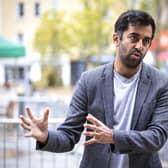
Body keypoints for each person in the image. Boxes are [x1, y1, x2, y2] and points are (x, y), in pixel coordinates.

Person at [20, 10, 168, 168]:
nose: (140, 46)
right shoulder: (89, 81)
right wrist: (46, 136)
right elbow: (69, 136)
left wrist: (113, 136)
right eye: (134, 38)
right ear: (116, 39)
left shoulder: (160, 82)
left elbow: (156, 137)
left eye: (146, 41)